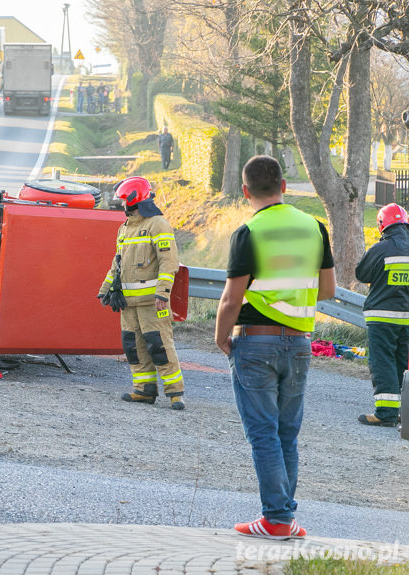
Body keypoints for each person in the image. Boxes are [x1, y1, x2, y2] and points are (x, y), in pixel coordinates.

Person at [214, 155, 335, 539]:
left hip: (256, 342)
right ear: (284, 186)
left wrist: (221, 336)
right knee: (286, 434)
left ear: (245, 191)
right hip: (300, 343)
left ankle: (277, 520)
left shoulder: (248, 232)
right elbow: (328, 290)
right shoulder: (315, 227)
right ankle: (284, 517)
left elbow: (232, 299)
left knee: (263, 433)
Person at [98, 176, 185, 410]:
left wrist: (162, 294)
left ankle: (175, 393)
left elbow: (169, 262)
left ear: (134, 200)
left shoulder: (158, 225)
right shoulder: (124, 228)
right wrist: (106, 289)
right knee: (133, 347)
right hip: (128, 302)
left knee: (159, 345)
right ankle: (144, 390)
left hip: (151, 303)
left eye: (124, 201)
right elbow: (117, 264)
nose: (122, 206)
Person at [356, 203, 409, 427]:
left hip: (382, 317)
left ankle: (385, 414)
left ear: (382, 225)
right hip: (406, 317)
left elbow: (361, 273)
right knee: (400, 363)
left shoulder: (381, 249)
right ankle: (401, 413)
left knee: (382, 362)